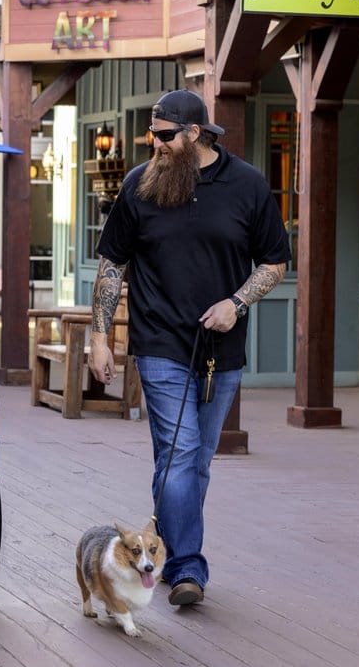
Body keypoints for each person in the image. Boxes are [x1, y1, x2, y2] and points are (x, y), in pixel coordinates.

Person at [89, 89, 290, 608]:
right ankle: (186, 568)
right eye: (152, 135)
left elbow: (274, 262)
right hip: (158, 341)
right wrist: (100, 335)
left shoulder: (246, 185)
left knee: (194, 461)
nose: (154, 144)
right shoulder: (139, 185)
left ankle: (158, 550)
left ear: (195, 134)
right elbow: (112, 266)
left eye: (165, 135)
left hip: (220, 347)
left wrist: (237, 303)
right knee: (179, 454)